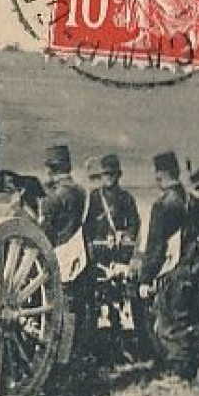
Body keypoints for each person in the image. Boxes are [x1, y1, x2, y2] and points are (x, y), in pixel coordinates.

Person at [136, 151, 199, 383]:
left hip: (173, 271)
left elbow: (155, 247)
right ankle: (194, 367)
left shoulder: (163, 205)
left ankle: (181, 374)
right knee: (188, 319)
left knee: (169, 324)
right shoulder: (193, 201)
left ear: (160, 176)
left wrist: (145, 279)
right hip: (194, 268)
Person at [83, 153, 145, 359]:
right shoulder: (93, 198)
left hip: (119, 256)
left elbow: (135, 224)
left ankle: (122, 345)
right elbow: (87, 226)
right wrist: (94, 242)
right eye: (105, 175)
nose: (108, 178)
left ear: (118, 175)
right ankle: (101, 348)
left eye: (112, 174)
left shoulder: (126, 198)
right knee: (99, 302)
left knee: (120, 302)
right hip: (99, 256)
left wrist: (124, 236)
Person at [38, 145, 91, 368]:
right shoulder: (81, 191)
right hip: (79, 253)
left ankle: (61, 360)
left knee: (61, 310)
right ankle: (74, 358)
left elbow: (44, 232)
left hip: (60, 254)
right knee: (76, 309)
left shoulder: (53, 198)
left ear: (51, 170)